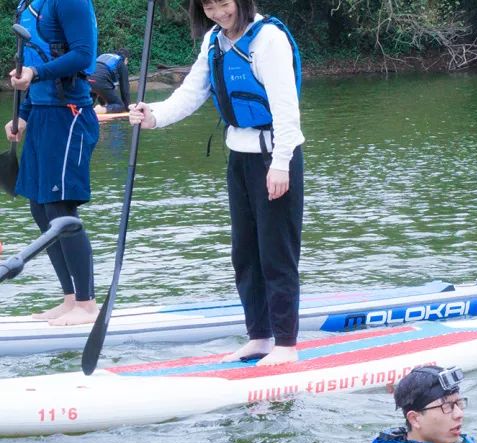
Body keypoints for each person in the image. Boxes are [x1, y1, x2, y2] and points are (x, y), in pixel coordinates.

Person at [128, 0, 304, 366]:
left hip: (275, 156)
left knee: (276, 254)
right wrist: (154, 116)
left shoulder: (268, 39)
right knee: (244, 254)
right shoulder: (214, 42)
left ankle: (286, 344)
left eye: (224, 3)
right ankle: (259, 337)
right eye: (209, 6)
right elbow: (191, 93)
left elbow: (287, 109)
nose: (219, 13)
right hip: (239, 156)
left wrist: (282, 164)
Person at [6, 0, 100, 326]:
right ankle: (70, 299)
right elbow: (36, 59)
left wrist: (35, 73)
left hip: (69, 116)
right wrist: (22, 114)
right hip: (43, 114)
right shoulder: (27, 4)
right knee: (40, 208)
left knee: (60, 210)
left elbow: (83, 54)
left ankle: (88, 305)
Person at [88, 48, 129, 113]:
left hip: (87, 80)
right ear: (126, 59)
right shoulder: (121, 62)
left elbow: (101, 92)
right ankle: (101, 110)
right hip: (99, 80)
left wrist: (104, 104)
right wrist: (128, 109)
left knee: (88, 104)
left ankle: (89, 110)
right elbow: (125, 90)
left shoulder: (103, 56)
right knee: (121, 106)